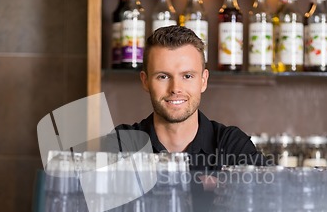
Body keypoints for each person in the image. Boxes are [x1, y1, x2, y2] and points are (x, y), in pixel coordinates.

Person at [108, 25, 266, 171]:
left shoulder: (231, 145)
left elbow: (277, 192)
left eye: (187, 76)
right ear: (145, 81)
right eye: (163, 76)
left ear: (203, 81)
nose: (175, 88)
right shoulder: (121, 144)